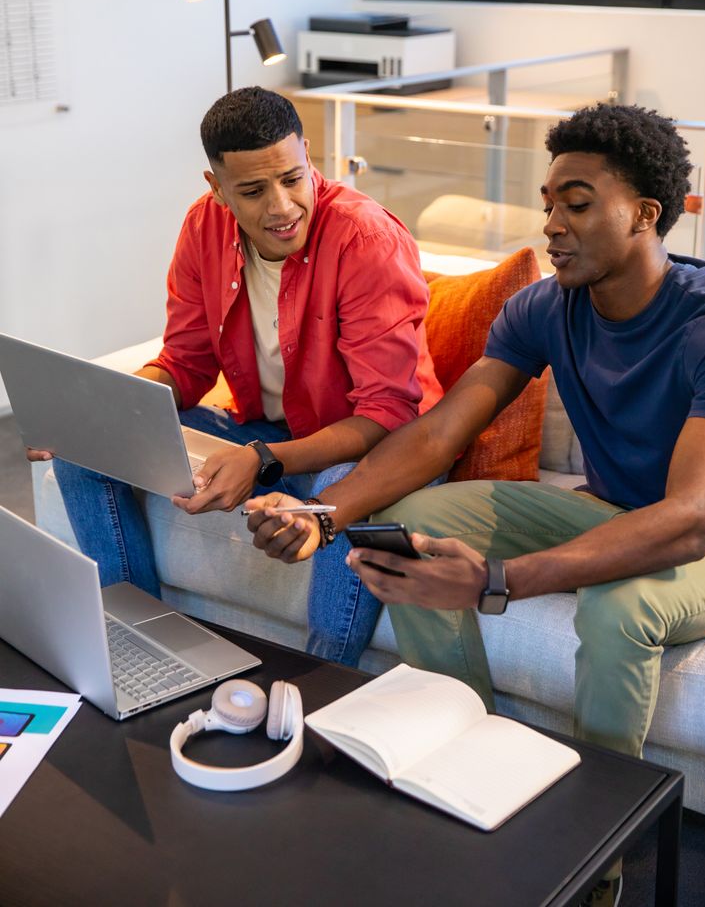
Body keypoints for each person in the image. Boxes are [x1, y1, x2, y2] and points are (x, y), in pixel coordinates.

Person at [248, 101, 705, 804]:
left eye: (578, 205)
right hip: (611, 513)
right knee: (410, 524)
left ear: (645, 215)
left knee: (616, 609)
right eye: (549, 204)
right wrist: (322, 514)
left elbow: (692, 517)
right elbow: (439, 434)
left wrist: (496, 580)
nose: (552, 224)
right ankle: (466, 765)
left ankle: (602, 837)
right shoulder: (544, 307)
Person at [28, 86, 443, 667]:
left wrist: (262, 460)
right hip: (267, 435)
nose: (282, 207)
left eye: (293, 179)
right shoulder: (204, 227)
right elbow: (186, 362)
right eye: (252, 191)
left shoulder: (365, 239)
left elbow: (387, 411)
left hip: (374, 448)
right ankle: (143, 648)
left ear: (307, 154)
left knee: (338, 490)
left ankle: (325, 677)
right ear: (217, 187)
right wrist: (103, 410)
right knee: (86, 451)